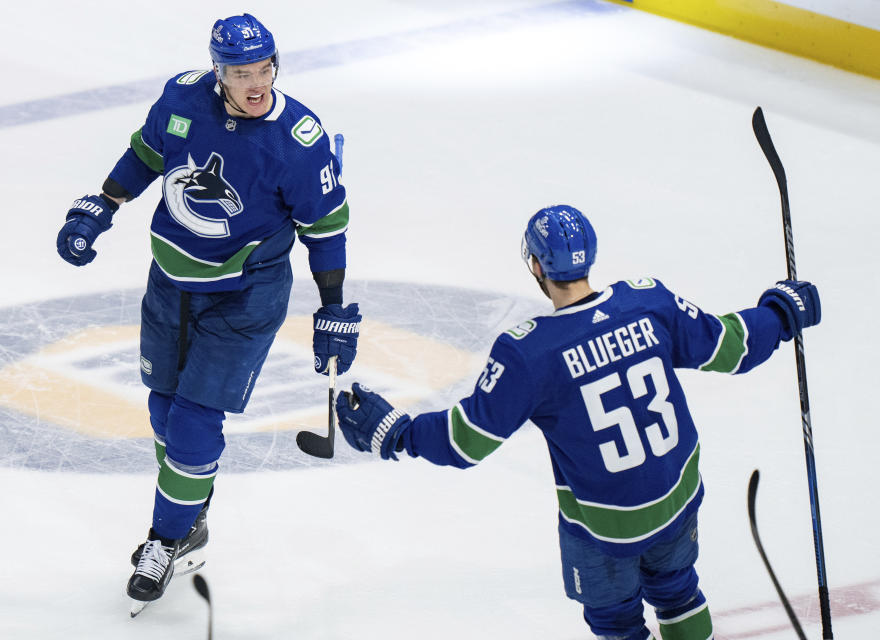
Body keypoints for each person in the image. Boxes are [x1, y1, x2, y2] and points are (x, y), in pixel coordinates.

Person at [335, 205, 821, 640]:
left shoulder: (529, 352)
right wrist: (779, 314)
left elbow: (467, 442)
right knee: (677, 593)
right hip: (678, 495)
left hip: (607, 523)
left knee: (618, 625)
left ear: (536, 266)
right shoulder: (647, 301)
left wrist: (395, 433)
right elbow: (727, 345)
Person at [55, 14, 362, 610]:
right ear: (218, 72)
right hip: (169, 283)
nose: (256, 83)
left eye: (265, 69)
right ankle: (189, 510)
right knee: (164, 411)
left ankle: (165, 538)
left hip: (246, 292)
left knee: (195, 423)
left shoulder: (297, 140)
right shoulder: (182, 97)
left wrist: (334, 310)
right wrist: (102, 206)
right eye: (241, 72)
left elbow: (326, 228)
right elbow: (147, 152)